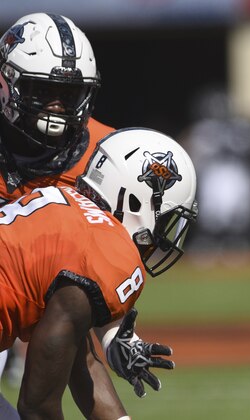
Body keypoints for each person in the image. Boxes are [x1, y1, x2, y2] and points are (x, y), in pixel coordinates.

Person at [0, 12, 176, 410]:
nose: (57, 107)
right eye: (42, 91)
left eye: (70, 94)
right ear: (7, 83)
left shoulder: (107, 157)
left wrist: (115, 332)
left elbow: (79, 277)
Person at [0, 127, 197, 419]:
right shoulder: (105, 252)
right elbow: (37, 406)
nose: (163, 236)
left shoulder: (64, 203)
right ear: (136, 200)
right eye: (166, 220)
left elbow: (81, 360)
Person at [179, 85, 250, 265]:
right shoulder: (203, 129)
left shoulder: (241, 126)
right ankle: (208, 246)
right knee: (212, 213)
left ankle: (234, 246)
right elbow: (195, 152)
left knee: (237, 213)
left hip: (235, 170)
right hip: (215, 172)